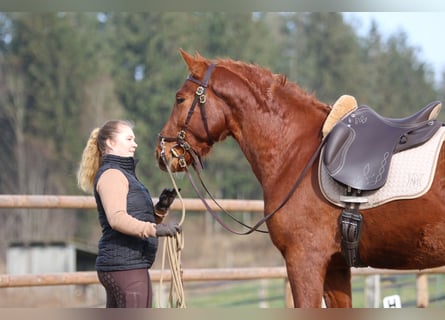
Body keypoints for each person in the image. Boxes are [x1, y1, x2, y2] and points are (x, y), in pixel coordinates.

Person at [77, 119, 181, 308]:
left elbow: (136, 218)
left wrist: (160, 210)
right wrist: (154, 229)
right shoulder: (112, 175)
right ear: (110, 142)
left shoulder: (124, 174)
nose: (135, 143)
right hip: (126, 266)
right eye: (129, 138)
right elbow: (116, 219)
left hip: (127, 264)